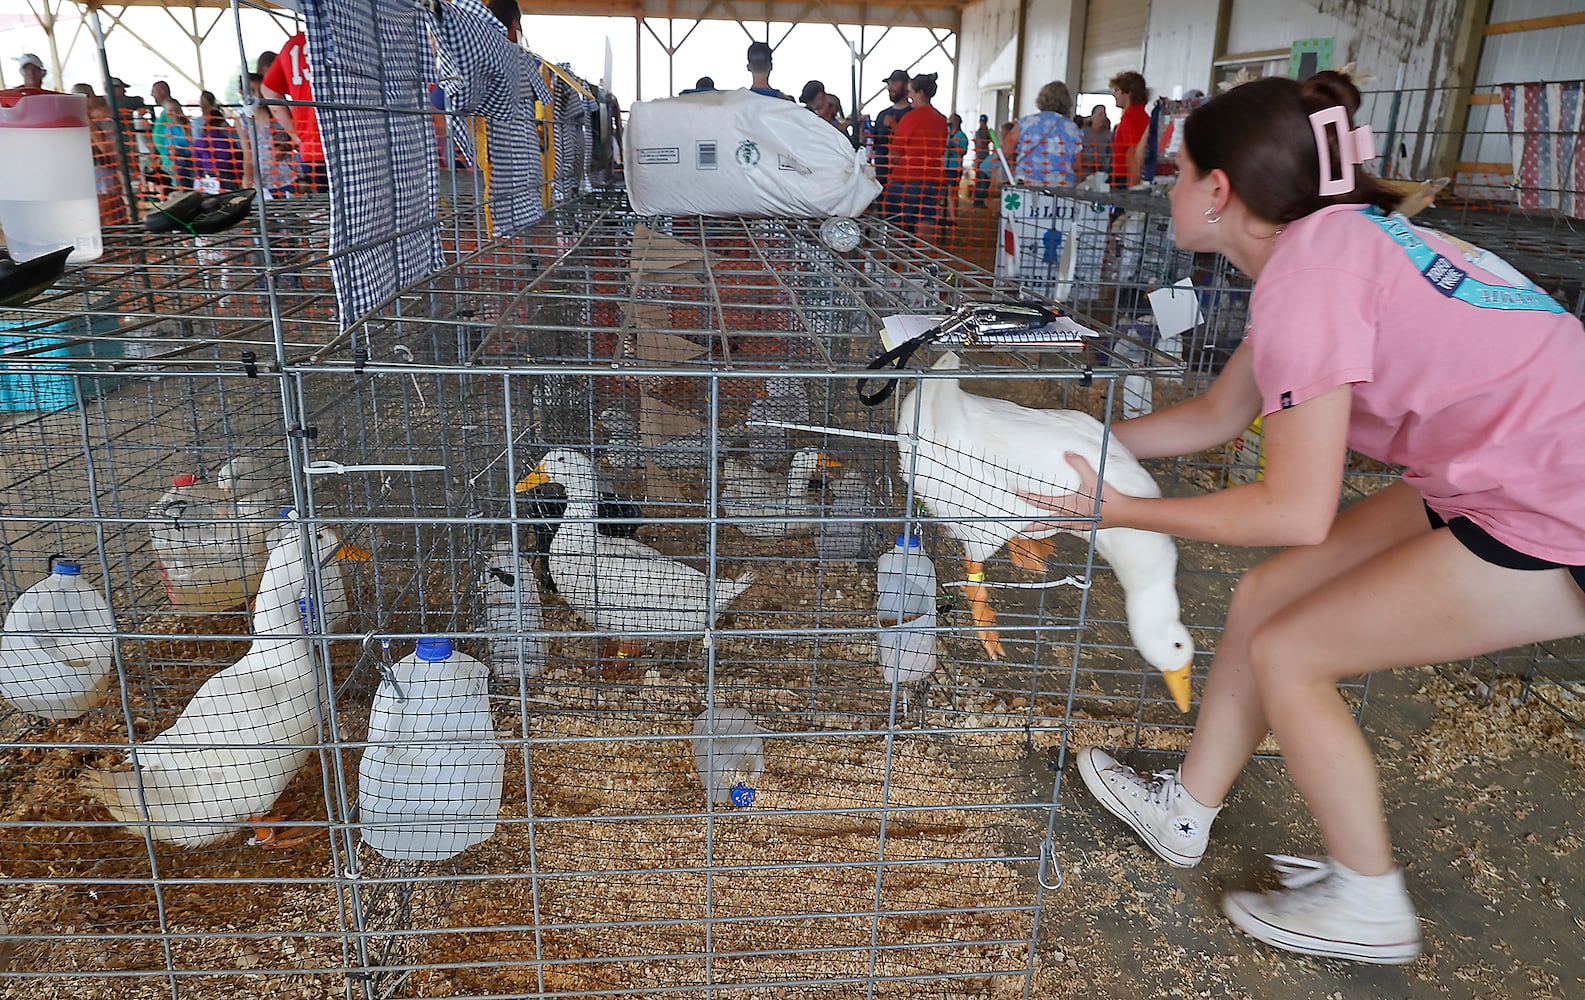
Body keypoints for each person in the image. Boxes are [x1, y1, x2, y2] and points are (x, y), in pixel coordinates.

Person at [1019, 71, 1585, 967]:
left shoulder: (1309, 280)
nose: (1165, 186)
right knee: (1266, 597)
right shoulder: (1324, 249)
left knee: (1293, 651)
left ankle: (1369, 903)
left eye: (1175, 171)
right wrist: (1057, 436)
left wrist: (1119, 508)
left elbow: (1295, 508)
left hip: (1552, 501)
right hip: (1508, 463)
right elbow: (1213, 417)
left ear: (1218, 191)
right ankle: (1185, 811)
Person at [884, 72, 947, 241]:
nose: (909, 95)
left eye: (911, 91)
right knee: (925, 228)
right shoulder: (941, 119)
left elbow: (895, 154)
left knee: (896, 230)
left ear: (920, 93)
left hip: (906, 180)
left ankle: (895, 264)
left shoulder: (910, 118)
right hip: (932, 181)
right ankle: (924, 264)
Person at [261, 30, 325, 192]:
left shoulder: (293, 44)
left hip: (312, 148)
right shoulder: (351, 35)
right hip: (352, 145)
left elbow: (268, 90)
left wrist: (295, 134)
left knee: (328, 208)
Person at [1005, 80, 1083, 187]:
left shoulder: (1025, 123)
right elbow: (1077, 164)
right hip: (1062, 186)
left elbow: (1006, 151)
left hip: (1027, 183)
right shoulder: (1072, 128)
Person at [871, 68, 912, 207]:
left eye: (895, 83)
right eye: (889, 84)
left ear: (907, 85)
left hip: (906, 179)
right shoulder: (882, 115)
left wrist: (895, 127)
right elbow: (874, 142)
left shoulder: (914, 114)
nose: (890, 87)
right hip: (882, 176)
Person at [192, 90, 241, 191]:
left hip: (208, 177)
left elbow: (197, 163)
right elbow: (238, 159)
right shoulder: (228, 141)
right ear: (221, 122)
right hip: (228, 177)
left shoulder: (199, 141)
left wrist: (199, 177)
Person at [1109, 70, 1150, 188]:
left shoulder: (1129, 119)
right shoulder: (1145, 118)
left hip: (1125, 180)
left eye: (1117, 91)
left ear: (1128, 93)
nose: (1114, 95)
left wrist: (1132, 185)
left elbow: (1132, 152)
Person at [153, 97, 194, 190]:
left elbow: (193, 144)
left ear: (180, 110)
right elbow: (168, 149)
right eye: (171, 111)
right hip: (177, 164)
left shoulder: (190, 126)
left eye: (176, 110)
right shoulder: (169, 129)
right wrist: (172, 153)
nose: (174, 113)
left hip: (192, 162)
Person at [943, 113, 967, 222]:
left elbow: (963, 152)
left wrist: (953, 146)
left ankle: (953, 218)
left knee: (952, 193)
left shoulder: (961, 136)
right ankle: (947, 215)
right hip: (944, 166)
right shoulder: (946, 135)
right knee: (945, 193)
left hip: (954, 168)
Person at [1077, 108, 1113, 179]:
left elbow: (1111, 156)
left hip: (1102, 176)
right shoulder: (1081, 134)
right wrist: (1086, 162)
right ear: (1092, 117)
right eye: (1100, 114)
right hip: (1083, 175)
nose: (1103, 118)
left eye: (1105, 115)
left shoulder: (1109, 136)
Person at [971, 113, 993, 207]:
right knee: (980, 180)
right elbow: (981, 145)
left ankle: (981, 200)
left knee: (986, 181)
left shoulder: (987, 131)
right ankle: (977, 201)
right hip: (980, 159)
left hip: (986, 159)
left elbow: (993, 140)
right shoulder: (979, 133)